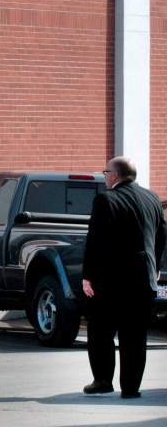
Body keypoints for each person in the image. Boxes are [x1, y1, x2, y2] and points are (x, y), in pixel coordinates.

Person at [81, 156, 166, 399]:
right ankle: (131, 388)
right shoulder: (152, 198)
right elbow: (162, 236)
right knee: (135, 335)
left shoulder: (105, 199)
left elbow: (95, 241)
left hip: (111, 280)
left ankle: (102, 381)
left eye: (105, 172)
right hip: (144, 278)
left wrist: (88, 276)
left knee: (100, 330)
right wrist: (155, 266)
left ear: (115, 175)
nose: (104, 176)